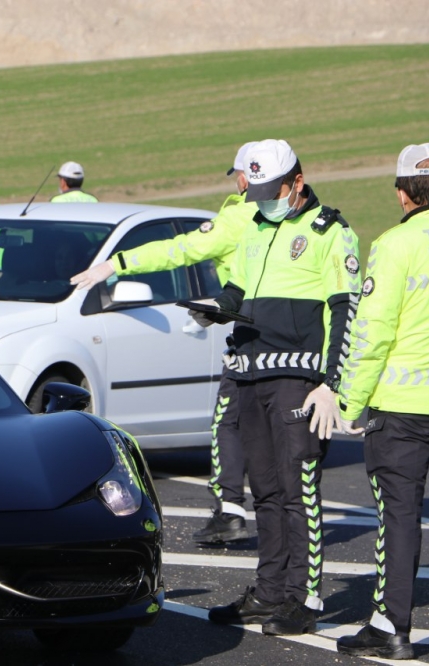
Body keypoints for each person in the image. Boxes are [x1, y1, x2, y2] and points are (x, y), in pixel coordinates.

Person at [203, 139, 361, 636]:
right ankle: (269, 592)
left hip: (298, 380)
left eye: (272, 190)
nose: (263, 200)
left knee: (299, 492)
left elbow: (346, 309)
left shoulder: (331, 232)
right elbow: (240, 291)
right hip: (250, 372)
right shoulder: (253, 225)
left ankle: (305, 598)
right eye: (258, 191)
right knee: (267, 491)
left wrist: (333, 383)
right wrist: (216, 308)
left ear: (297, 181)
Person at [70, 141, 259, 544]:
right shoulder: (308, 222)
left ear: (244, 178)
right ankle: (280, 522)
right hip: (296, 339)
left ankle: (230, 511)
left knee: (228, 422)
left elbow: (179, 250)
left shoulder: (237, 220)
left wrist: (116, 264)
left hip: (250, 336)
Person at [333, 144, 429, 660]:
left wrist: (350, 405)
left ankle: (393, 629)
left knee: (399, 518)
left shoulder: (395, 245)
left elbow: (371, 334)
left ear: (401, 195)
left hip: (403, 409)